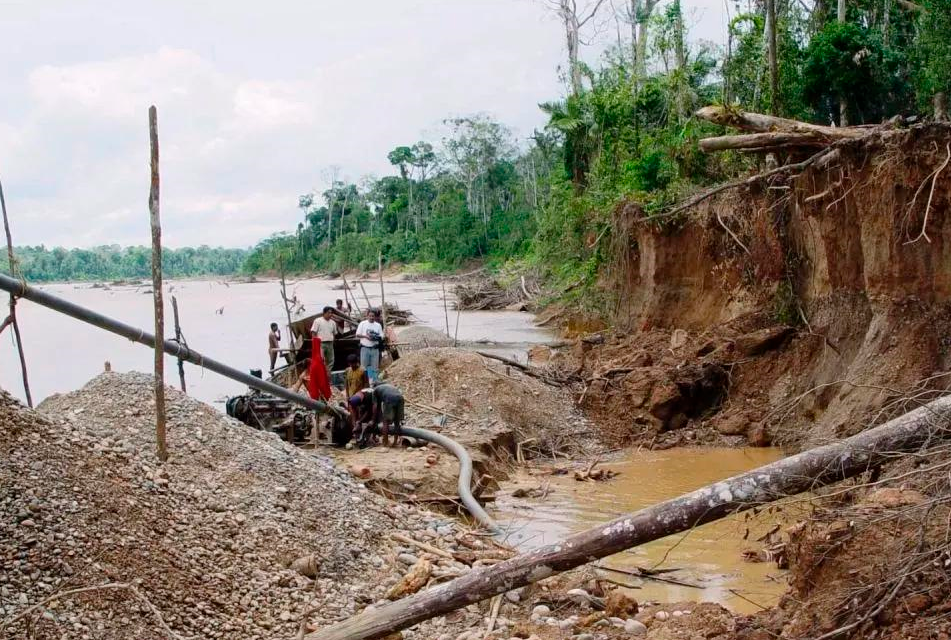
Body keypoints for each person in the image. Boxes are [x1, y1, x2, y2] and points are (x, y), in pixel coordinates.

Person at [372, 382, 405, 448]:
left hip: (389, 398)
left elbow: (375, 407)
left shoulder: (375, 391)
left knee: (386, 422)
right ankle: (395, 442)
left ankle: (385, 442)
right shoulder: (387, 386)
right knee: (397, 421)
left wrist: (373, 419)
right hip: (400, 398)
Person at [356, 309, 384, 383]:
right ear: (367, 316)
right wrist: (366, 337)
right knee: (363, 367)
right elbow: (357, 334)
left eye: (373, 316)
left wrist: (376, 337)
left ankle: (375, 382)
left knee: (375, 367)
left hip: (375, 348)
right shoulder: (362, 323)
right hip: (365, 348)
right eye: (370, 316)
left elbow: (381, 336)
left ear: (375, 317)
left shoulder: (378, 325)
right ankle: (364, 382)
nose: (371, 317)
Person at [311, 306, 338, 379]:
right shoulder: (318, 321)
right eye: (328, 313)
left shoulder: (333, 323)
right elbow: (313, 333)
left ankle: (328, 375)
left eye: (331, 313)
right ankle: (321, 376)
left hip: (330, 343)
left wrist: (333, 341)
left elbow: (334, 333)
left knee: (331, 360)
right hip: (321, 343)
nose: (330, 314)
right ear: (324, 313)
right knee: (321, 359)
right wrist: (315, 344)